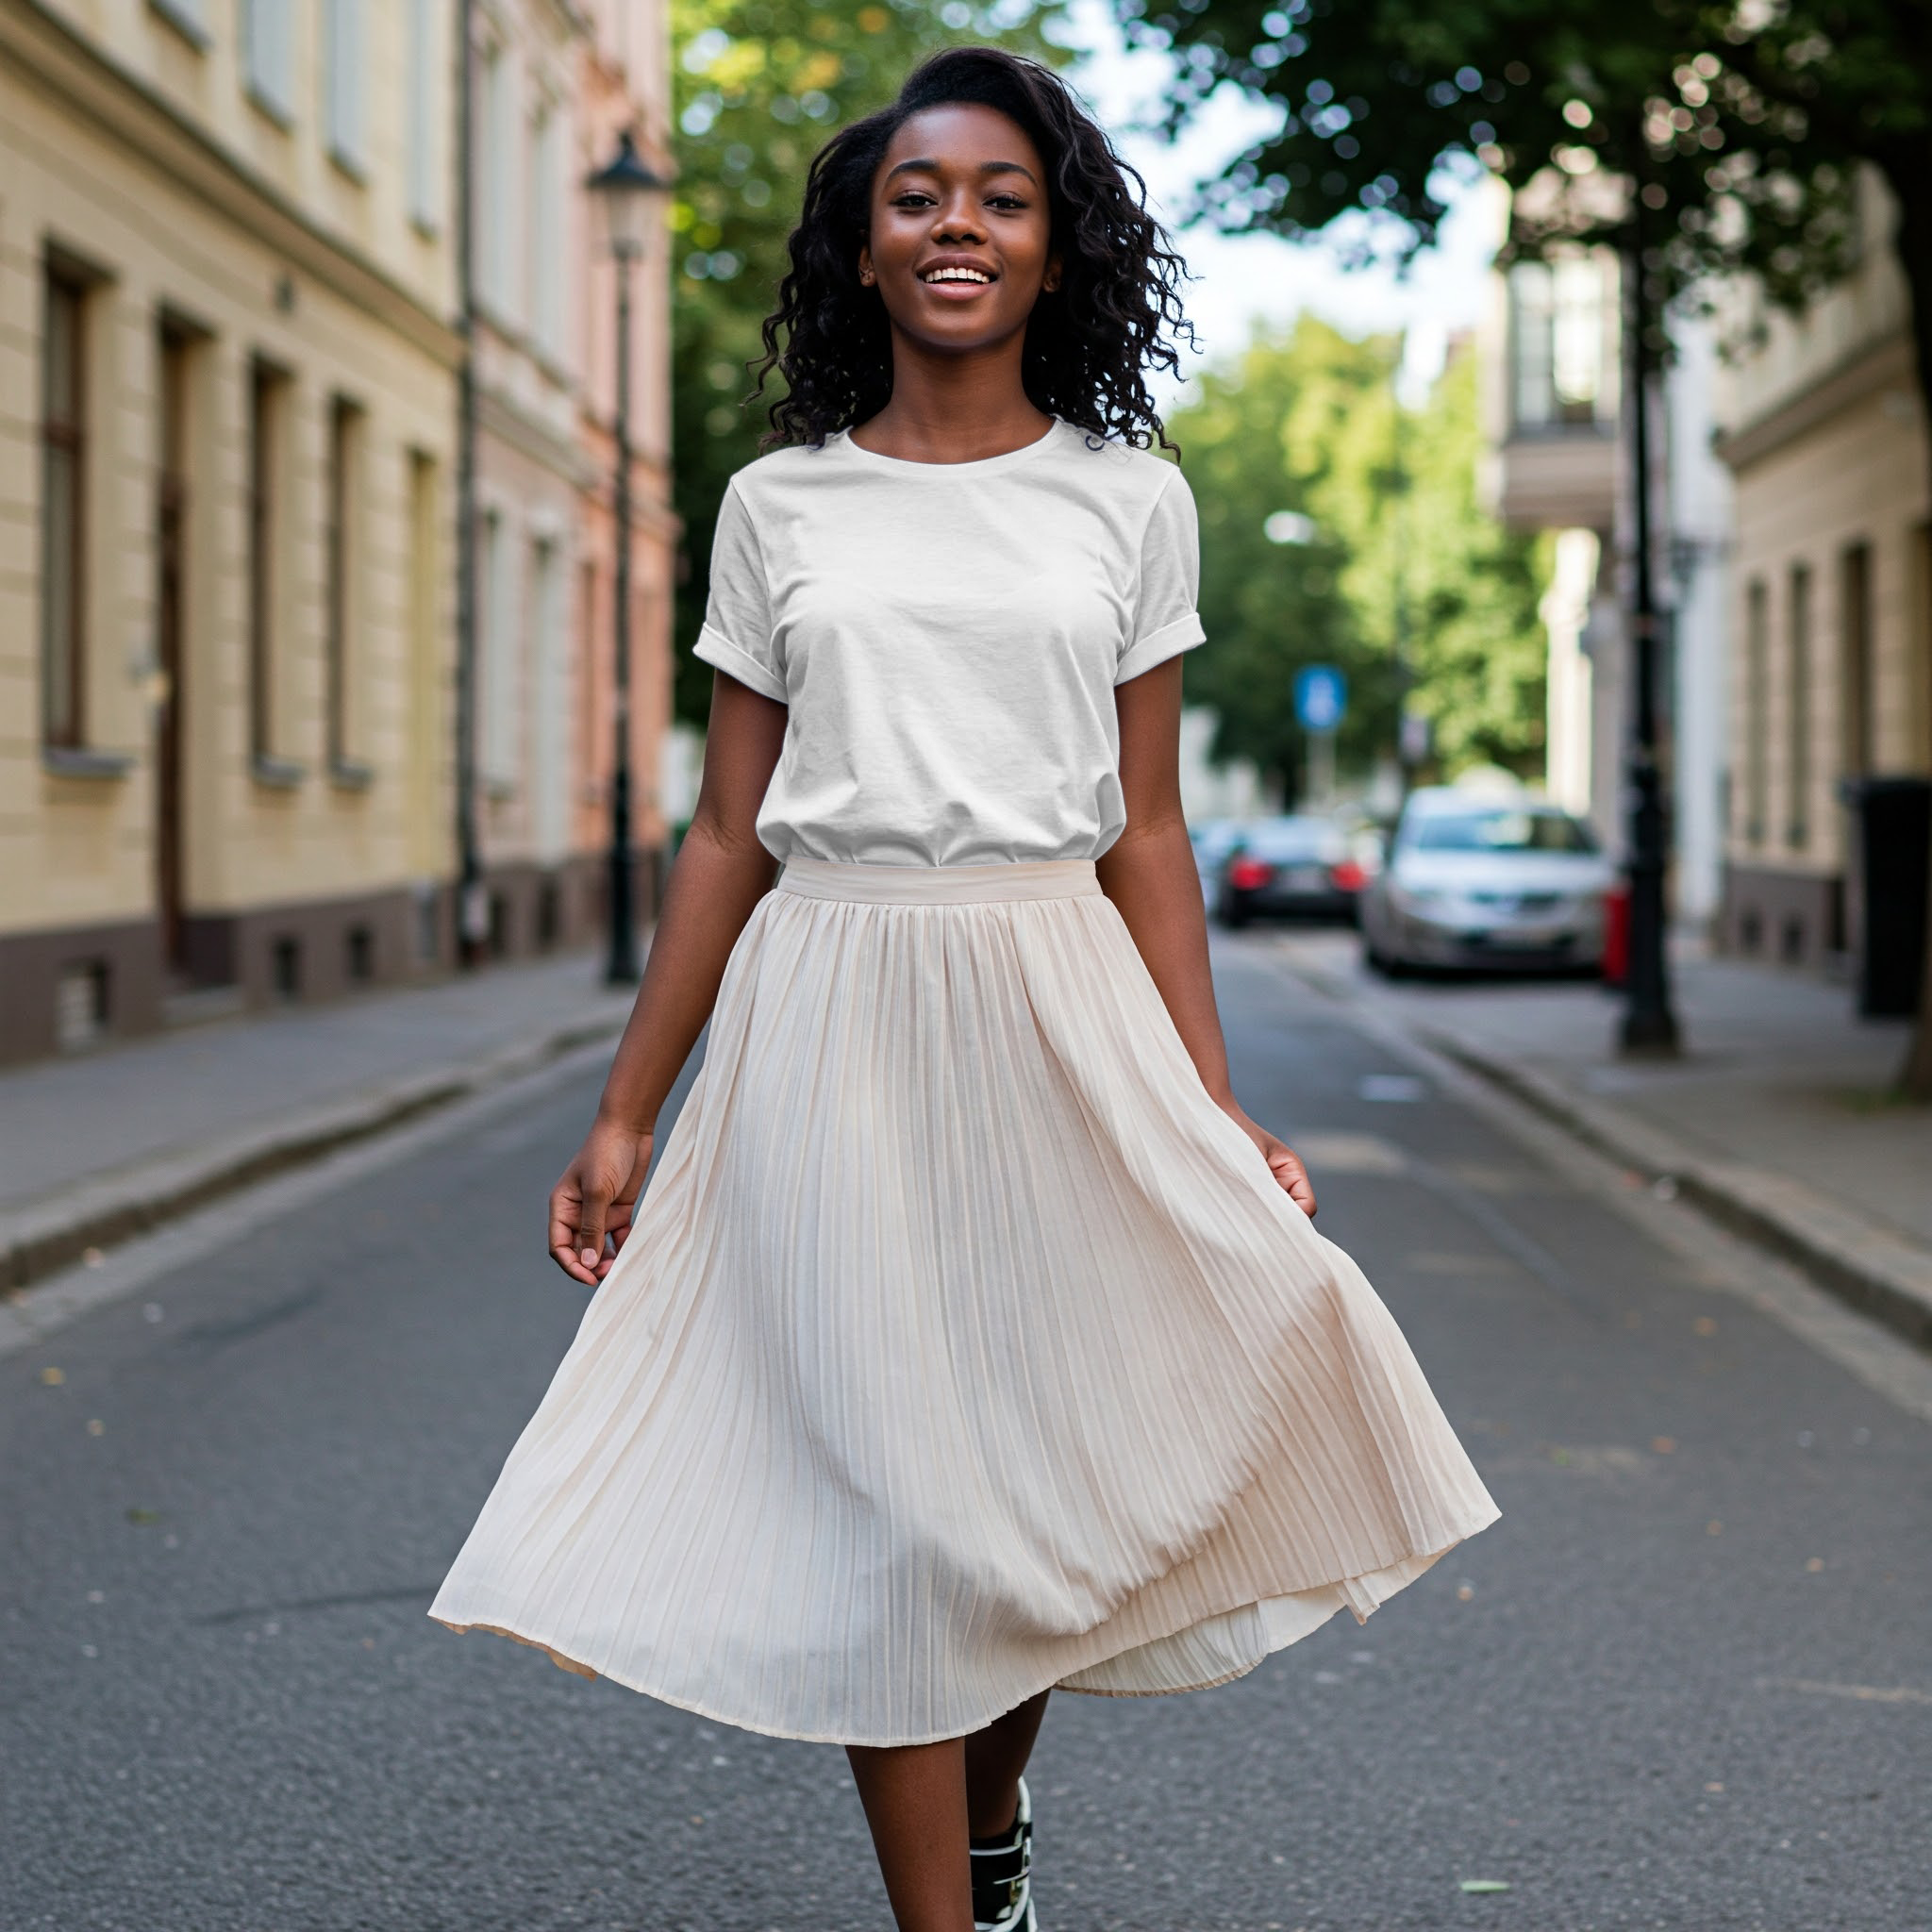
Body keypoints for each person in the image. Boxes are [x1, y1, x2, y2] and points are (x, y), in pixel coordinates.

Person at [430, 46, 1500, 1932]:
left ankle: (991, 1839)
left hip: (1051, 994)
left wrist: (1209, 1099)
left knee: (1015, 1486)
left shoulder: (1127, 498)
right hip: (828, 1004)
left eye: (1001, 197)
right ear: (860, 245)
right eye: (917, 194)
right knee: (895, 1515)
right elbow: (718, 835)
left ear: (1054, 249)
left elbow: (1149, 836)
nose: (956, 225)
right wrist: (625, 1111)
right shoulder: (779, 506)